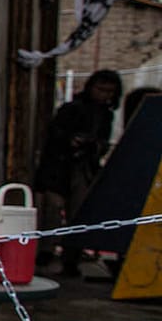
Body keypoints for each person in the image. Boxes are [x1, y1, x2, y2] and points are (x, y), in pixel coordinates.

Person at [34, 69, 121, 276]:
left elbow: (101, 142)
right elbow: (55, 137)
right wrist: (71, 141)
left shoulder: (105, 115)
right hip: (59, 167)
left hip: (83, 168)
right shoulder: (72, 109)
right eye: (101, 89)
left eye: (110, 91)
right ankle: (46, 252)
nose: (105, 95)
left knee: (78, 214)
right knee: (52, 211)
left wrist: (94, 146)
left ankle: (70, 258)